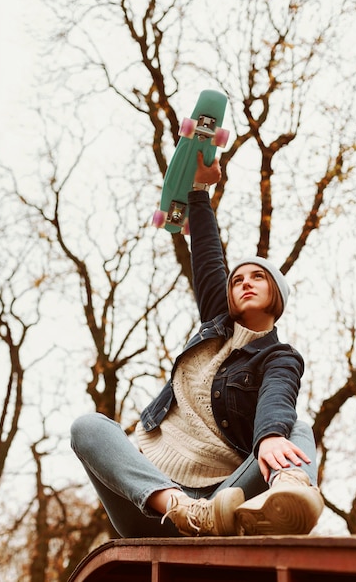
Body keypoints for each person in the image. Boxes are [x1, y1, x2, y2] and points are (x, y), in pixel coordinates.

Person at [71, 152, 324, 538]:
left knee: (293, 427)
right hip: (153, 505)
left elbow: (278, 397)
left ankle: (287, 494)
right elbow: (207, 256)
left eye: (258, 277)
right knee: (87, 426)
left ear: (278, 295)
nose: (244, 283)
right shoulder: (214, 326)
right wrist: (199, 190)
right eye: (237, 280)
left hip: (223, 500)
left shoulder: (279, 357)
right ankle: (182, 508)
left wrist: (271, 435)